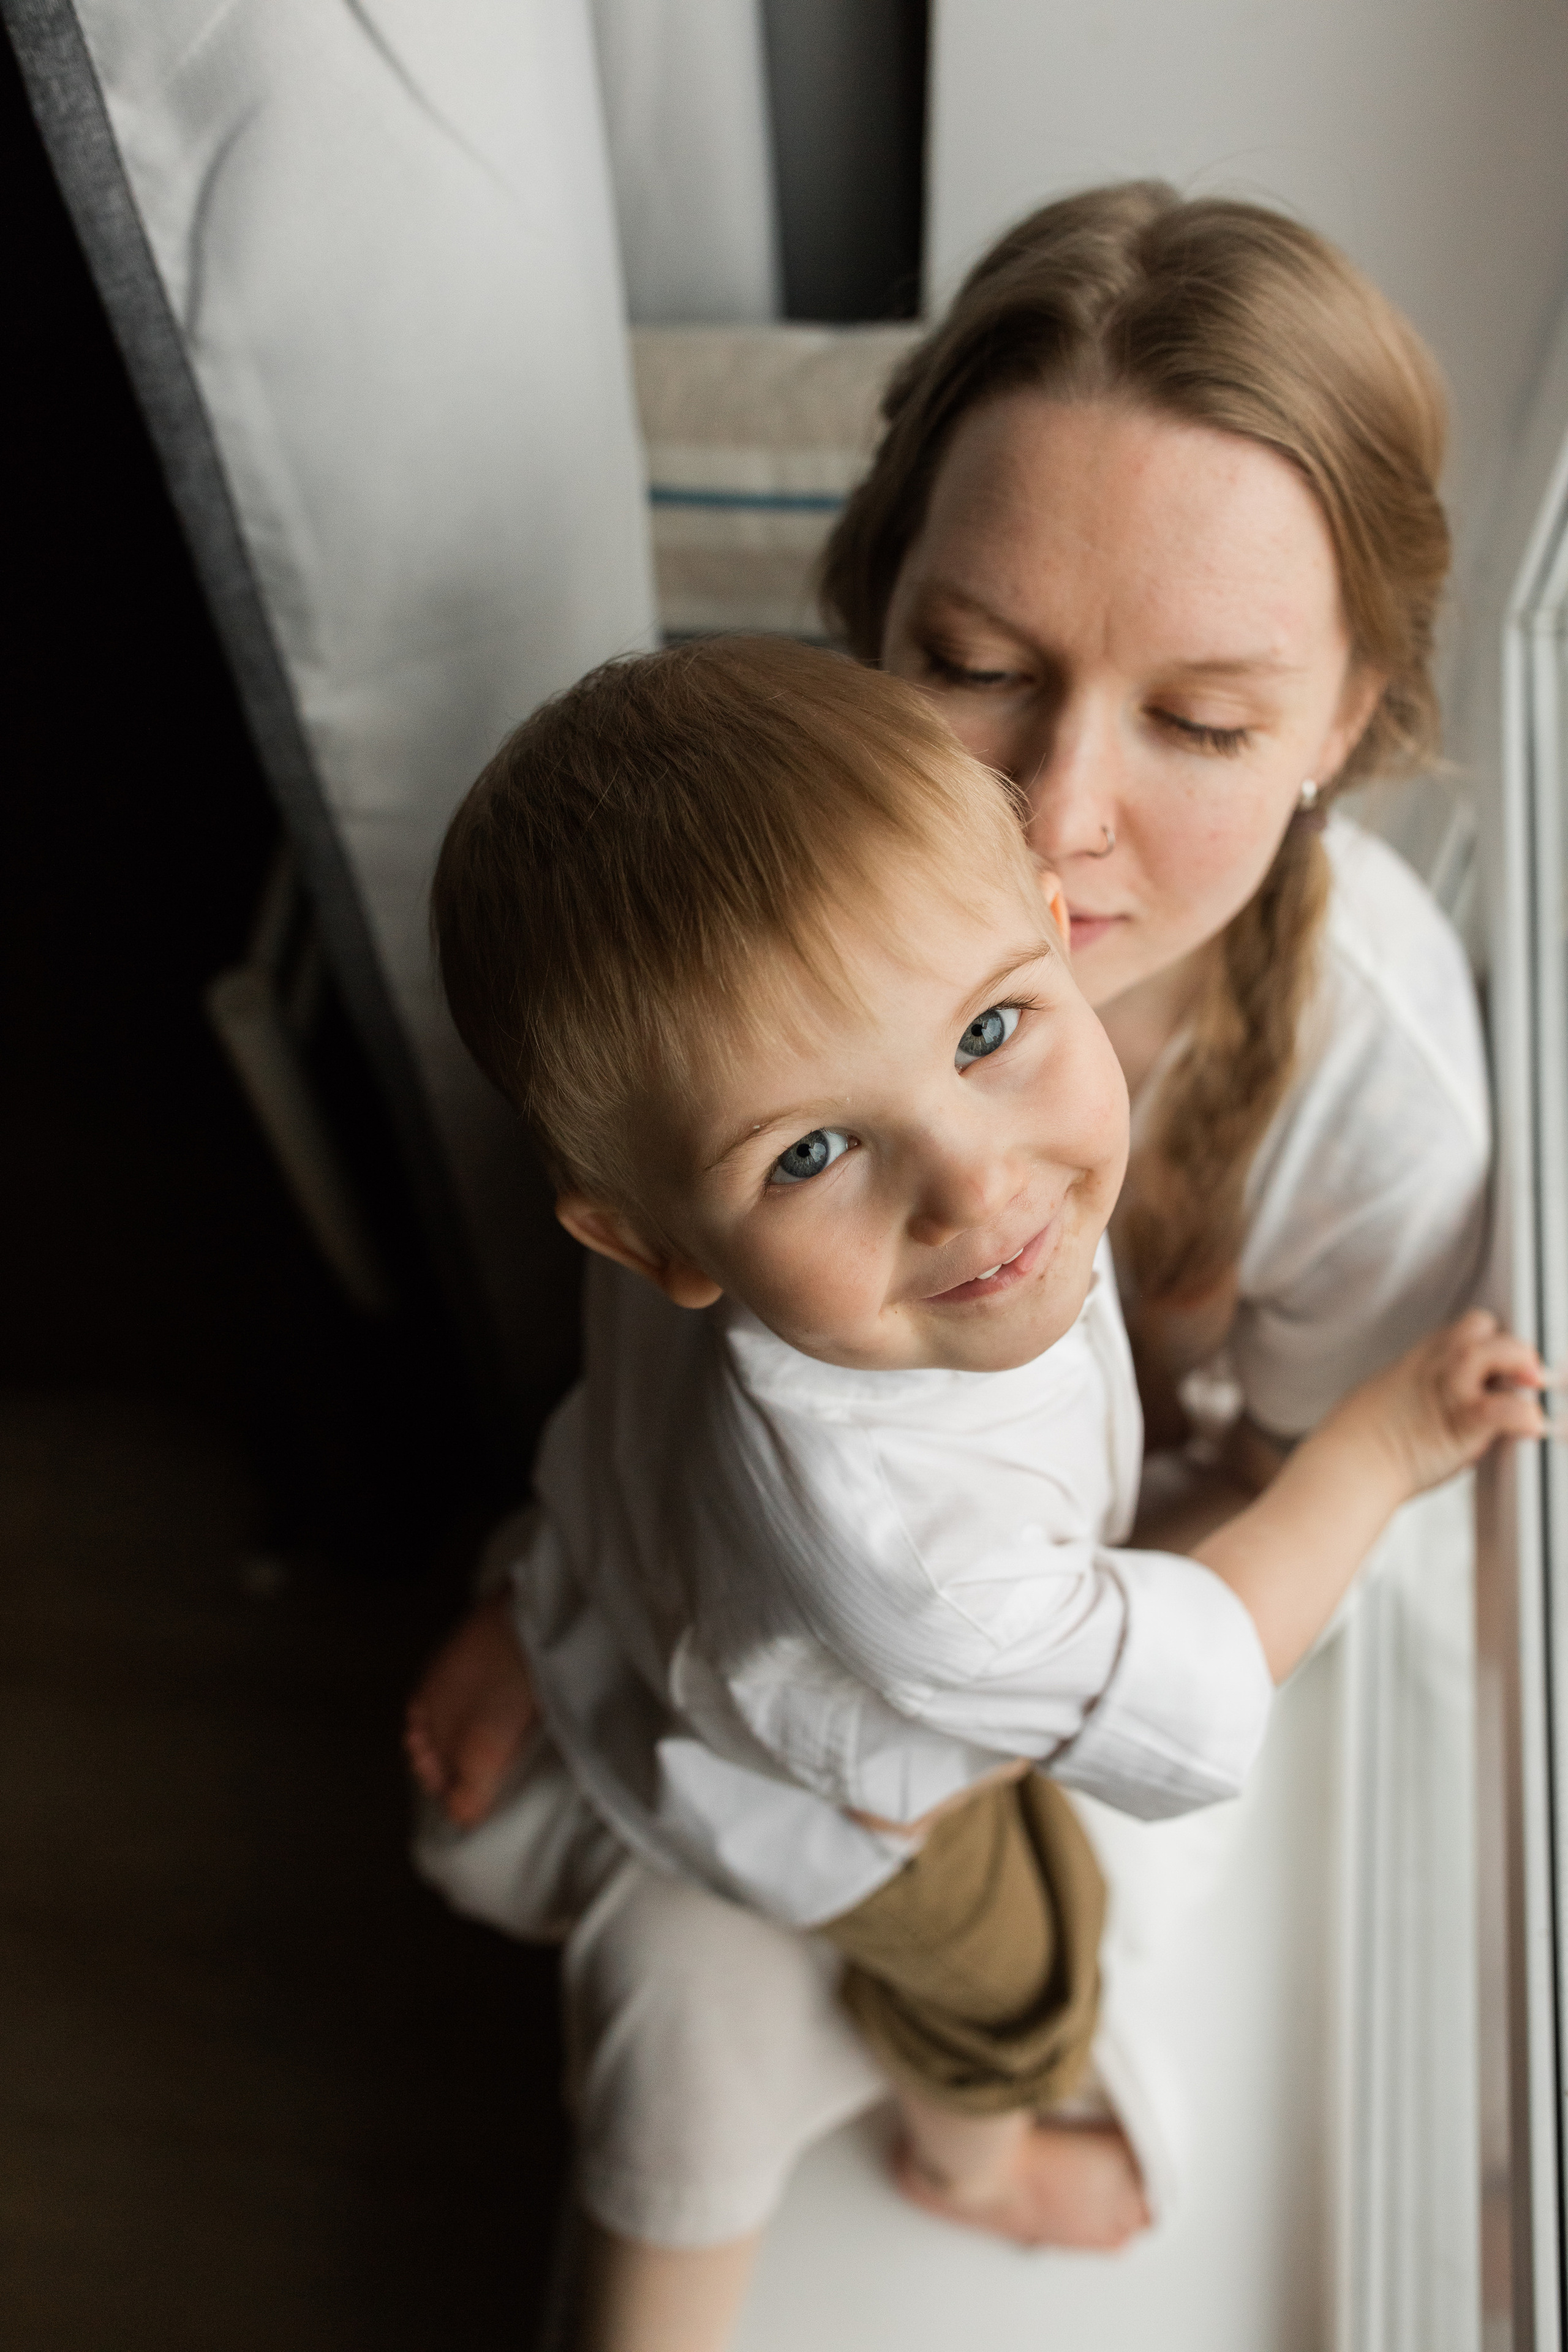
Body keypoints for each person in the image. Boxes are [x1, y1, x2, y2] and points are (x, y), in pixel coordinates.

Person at [408, 636, 1545, 2350]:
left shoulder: (710, 1243)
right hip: (863, 1809)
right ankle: (972, 2163)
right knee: (1025, 1980)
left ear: (1047, 915)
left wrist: (536, 1583)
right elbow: (1208, 1659)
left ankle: (554, 1644)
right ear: (652, 1238)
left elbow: (610, 1438)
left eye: (994, 1027)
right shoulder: (923, 1564)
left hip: (660, 1592)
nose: (973, 1181)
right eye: (812, 1152)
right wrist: (1380, 1447)